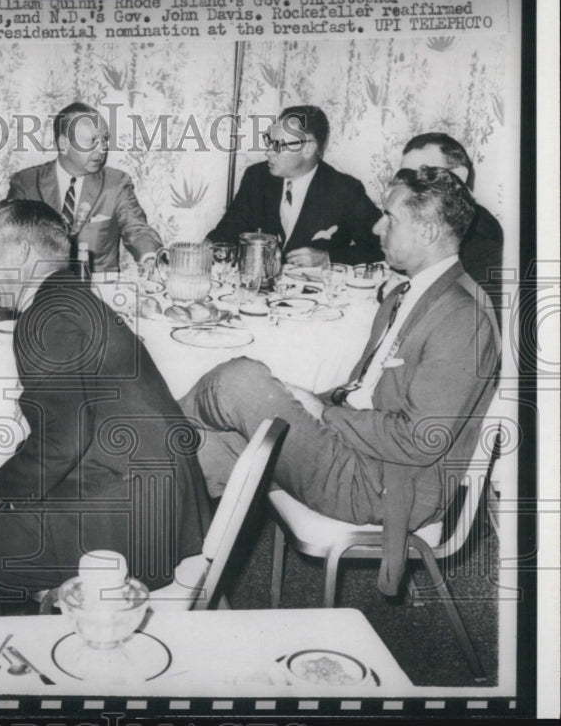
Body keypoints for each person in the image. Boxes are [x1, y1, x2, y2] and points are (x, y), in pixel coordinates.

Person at [182, 166, 500, 595]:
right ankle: (160, 573)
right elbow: (363, 391)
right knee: (194, 452)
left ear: (426, 231)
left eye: (391, 217)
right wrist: (307, 399)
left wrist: (323, 413)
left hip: (381, 483)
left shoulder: (464, 318)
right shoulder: (404, 294)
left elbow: (422, 438)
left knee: (239, 379)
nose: (376, 226)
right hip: (354, 451)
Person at [0, 199, 210, 617]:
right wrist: (6, 490)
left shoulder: (46, 318)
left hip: (131, 523)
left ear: (23, 251)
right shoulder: (74, 296)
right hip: (163, 504)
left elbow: (61, 442)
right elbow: (67, 429)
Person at [206, 105, 383, 267]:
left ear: (308, 149)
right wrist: (203, 250)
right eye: (269, 141)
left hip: (313, 297)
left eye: (277, 145)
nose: (268, 152)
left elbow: (381, 245)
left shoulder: (345, 190)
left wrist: (328, 257)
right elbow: (227, 231)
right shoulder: (257, 178)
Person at [6, 102, 162, 272]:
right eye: (92, 141)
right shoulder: (26, 183)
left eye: (105, 139)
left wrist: (149, 258)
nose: (102, 149)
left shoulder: (116, 184)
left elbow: (137, 229)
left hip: (99, 293)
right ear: (64, 144)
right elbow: (6, 238)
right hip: (43, 292)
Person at [400, 132, 504, 297]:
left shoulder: (482, 237)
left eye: (425, 175)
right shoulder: (426, 217)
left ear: (460, 176)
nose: (409, 189)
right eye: (407, 178)